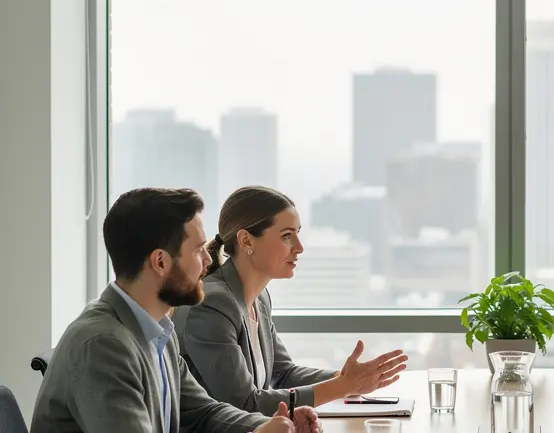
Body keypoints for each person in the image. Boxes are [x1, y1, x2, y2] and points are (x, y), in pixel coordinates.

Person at [30, 188, 319, 433]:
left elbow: (204, 412)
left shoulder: (158, 332)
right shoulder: (104, 345)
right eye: (196, 250)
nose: (208, 260)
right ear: (160, 262)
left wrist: (262, 427)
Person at [172, 185, 408, 415]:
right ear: (246, 241)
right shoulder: (212, 305)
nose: (299, 247)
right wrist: (342, 386)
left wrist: (345, 378)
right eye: (287, 236)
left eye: (298, 234)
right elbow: (244, 403)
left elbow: (283, 374)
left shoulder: (259, 298)